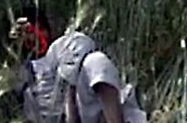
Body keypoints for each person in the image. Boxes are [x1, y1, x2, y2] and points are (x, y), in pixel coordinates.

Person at [10, 17, 147, 123]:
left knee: (95, 61)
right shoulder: (24, 75)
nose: (30, 37)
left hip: (93, 108)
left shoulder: (66, 46)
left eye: (33, 30)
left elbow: (76, 74)